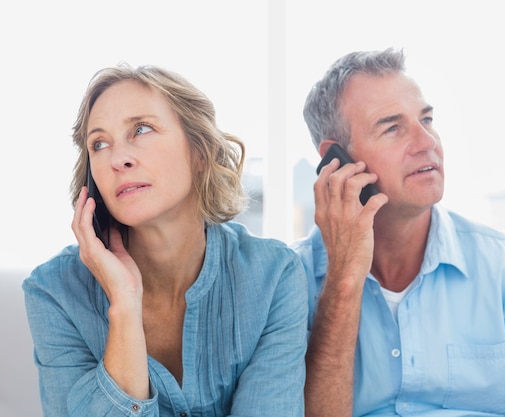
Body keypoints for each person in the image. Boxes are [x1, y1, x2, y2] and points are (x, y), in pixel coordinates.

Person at [292, 48, 505, 416]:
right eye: (392, 128)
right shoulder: (290, 282)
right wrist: (342, 279)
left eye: (427, 120)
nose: (427, 143)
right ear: (336, 159)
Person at [23, 64, 308, 417]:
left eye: (141, 129)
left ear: (200, 153)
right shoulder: (53, 291)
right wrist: (125, 308)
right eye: (99, 143)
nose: (117, 158)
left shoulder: (274, 277)